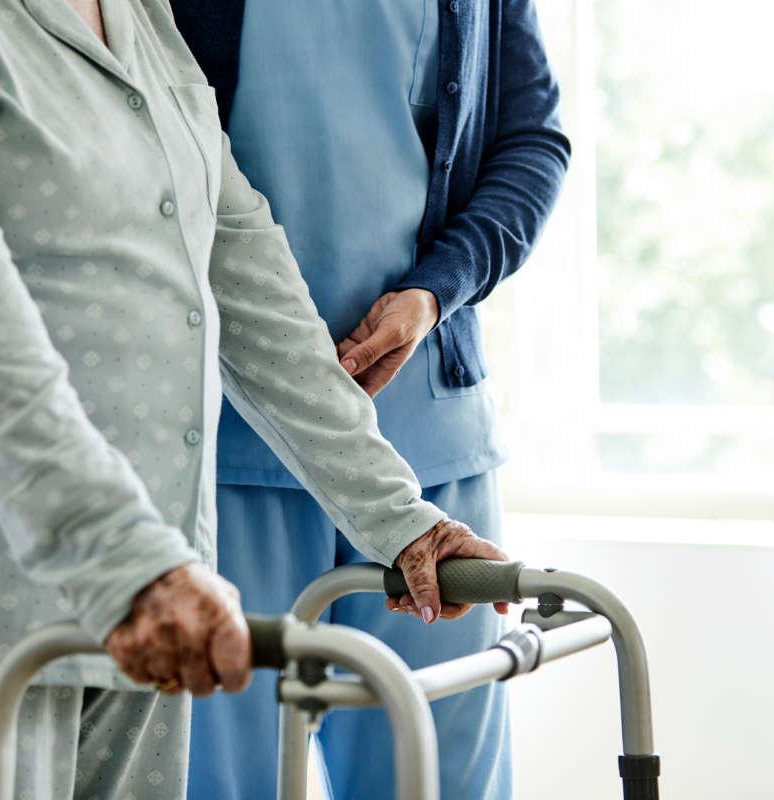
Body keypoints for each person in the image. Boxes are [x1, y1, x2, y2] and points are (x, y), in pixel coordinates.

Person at [0, 0, 507, 796]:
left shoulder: (134, 14)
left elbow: (246, 280)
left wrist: (401, 519)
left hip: (132, 624)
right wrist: (132, 568)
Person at [172, 1, 571, 797]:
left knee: (435, 782)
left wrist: (436, 290)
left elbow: (532, 142)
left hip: (426, 447)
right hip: (222, 447)